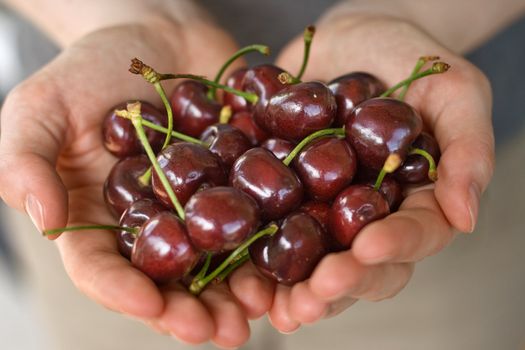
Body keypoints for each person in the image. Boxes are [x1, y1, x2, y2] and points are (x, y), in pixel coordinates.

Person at [0, 0, 522, 348]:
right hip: (83, 151)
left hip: (469, 119)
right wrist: (121, 15)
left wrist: (415, 13)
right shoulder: (194, 173)